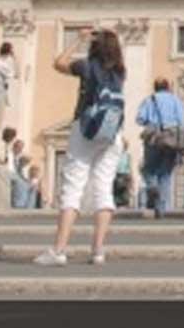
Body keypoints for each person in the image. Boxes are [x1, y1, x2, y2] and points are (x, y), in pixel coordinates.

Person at [33, 27, 125, 267]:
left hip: (85, 129)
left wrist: (79, 39)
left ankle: (59, 250)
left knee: (73, 186)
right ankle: (97, 251)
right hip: (112, 133)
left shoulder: (87, 66)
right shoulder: (119, 72)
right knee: (104, 189)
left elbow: (59, 63)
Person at [135, 77, 184, 217]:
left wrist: (150, 121)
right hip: (171, 138)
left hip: (154, 138)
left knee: (148, 169)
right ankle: (161, 208)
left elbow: (139, 118)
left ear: (155, 87)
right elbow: (182, 121)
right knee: (166, 174)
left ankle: (152, 187)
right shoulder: (175, 100)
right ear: (168, 87)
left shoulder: (149, 100)